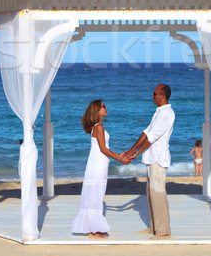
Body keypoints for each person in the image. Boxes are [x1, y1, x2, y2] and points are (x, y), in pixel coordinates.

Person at [72, 100, 130, 239]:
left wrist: (118, 155)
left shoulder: (98, 127)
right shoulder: (98, 127)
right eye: (104, 106)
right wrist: (120, 159)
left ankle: (93, 228)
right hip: (98, 164)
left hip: (99, 163)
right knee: (95, 196)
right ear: (97, 110)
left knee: (95, 195)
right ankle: (94, 230)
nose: (106, 108)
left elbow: (103, 148)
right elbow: (103, 149)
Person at [125, 84, 175, 240]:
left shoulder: (167, 114)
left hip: (159, 159)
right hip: (151, 157)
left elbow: (153, 138)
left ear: (162, 95)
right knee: (151, 194)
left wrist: (137, 152)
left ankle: (163, 231)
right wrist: (131, 150)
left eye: (154, 94)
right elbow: (147, 132)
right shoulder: (159, 113)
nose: (152, 96)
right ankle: (154, 227)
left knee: (158, 194)